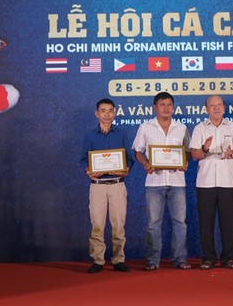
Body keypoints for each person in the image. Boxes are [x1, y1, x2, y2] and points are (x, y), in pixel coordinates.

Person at [133, 92, 192, 271]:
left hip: (177, 181)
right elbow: (138, 151)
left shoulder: (181, 127)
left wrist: (185, 161)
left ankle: (180, 259)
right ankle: (152, 260)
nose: (166, 108)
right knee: (153, 224)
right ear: (155, 107)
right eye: (162, 104)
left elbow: (188, 150)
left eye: (169, 104)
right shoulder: (145, 127)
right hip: (154, 181)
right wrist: (146, 163)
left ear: (173, 107)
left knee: (180, 223)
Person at [190, 95, 233, 270]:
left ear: (224, 107)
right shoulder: (199, 128)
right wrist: (205, 148)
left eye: (219, 105)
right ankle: (208, 258)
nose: (216, 108)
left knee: (227, 222)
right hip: (205, 181)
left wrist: (232, 153)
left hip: (227, 181)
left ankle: (228, 258)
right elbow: (195, 155)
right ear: (206, 109)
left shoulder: (232, 126)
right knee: (206, 223)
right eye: (212, 105)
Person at [80, 98, 134, 273]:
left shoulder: (122, 134)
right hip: (97, 186)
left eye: (110, 110)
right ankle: (98, 260)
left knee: (119, 224)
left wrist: (126, 169)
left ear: (115, 113)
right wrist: (88, 169)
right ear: (97, 113)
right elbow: (83, 159)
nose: (107, 114)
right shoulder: (89, 136)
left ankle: (119, 259)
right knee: (97, 224)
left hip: (118, 184)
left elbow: (129, 159)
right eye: (103, 110)